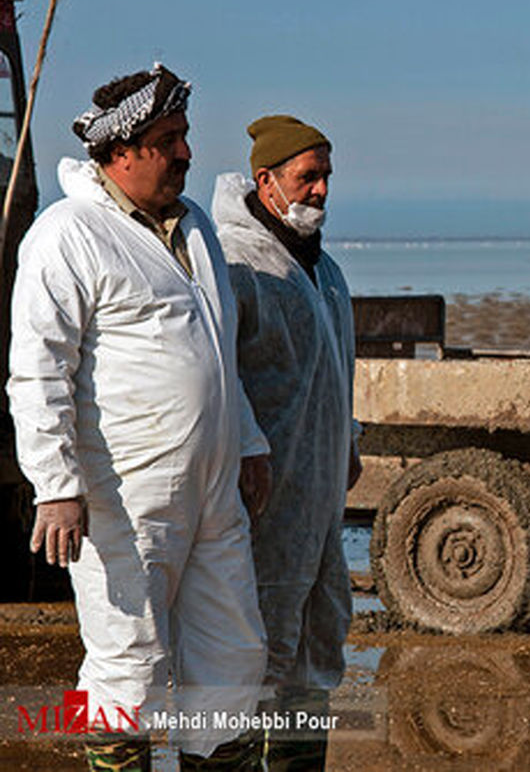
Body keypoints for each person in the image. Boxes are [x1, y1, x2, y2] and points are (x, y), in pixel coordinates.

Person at [6, 64, 271, 769]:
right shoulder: (67, 235)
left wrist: (248, 441)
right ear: (122, 154)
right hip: (123, 497)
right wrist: (56, 487)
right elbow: (37, 371)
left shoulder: (196, 229)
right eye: (170, 139)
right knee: (129, 665)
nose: (187, 152)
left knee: (233, 658)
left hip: (213, 492)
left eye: (184, 135)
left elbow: (216, 347)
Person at [211, 114, 359, 769]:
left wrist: (347, 441)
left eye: (327, 176)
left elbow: (339, 371)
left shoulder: (324, 270)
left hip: (320, 497)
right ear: (266, 180)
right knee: (253, 650)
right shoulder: (238, 265)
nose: (322, 190)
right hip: (261, 504)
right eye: (308, 176)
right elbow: (216, 375)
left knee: (314, 647)